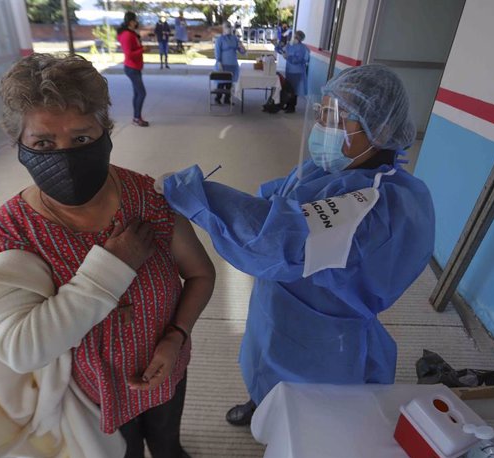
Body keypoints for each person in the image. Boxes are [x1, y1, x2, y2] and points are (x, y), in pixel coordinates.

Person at [0, 53, 215, 458]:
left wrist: (175, 337)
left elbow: (200, 275)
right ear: (20, 147)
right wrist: (114, 266)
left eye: (81, 138)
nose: (65, 155)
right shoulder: (15, 228)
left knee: (168, 446)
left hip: (167, 365)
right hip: (88, 396)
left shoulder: (148, 198)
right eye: (44, 142)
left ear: (107, 132)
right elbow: (24, 349)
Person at [157, 64, 435, 426]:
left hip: (322, 325)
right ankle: (260, 400)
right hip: (278, 299)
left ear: (380, 128)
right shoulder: (331, 170)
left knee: (310, 401)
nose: (323, 127)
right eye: (323, 112)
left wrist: (199, 196)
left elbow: (278, 238)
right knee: (264, 357)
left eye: (338, 118)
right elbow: (276, 201)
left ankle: (290, 424)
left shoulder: (376, 203)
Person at [117, 11, 149, 127]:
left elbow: (134, 48)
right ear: (131, 22)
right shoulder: (127, 35)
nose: (137, 22)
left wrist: (141, 48)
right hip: (131, 67)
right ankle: (136, 118)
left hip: (135, 67)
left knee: (137, 93)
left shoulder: (131, 33)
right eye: (135, 20)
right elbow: (129, 53)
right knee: (141, 93)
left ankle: (137, 117)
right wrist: (142, 50)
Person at [214, 21, 246, 105]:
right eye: (226, 27)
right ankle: (218, 98)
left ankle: (227, 99)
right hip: (223, 64)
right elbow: (217, 51)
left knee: (229, 83)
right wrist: (218, 61)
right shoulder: (220, 39)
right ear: (223, 28)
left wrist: (241, 47)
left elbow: (242, 51)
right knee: (221, 83)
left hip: (233, 64)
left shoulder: (235, 38)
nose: (228, 28)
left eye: (229, 26)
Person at [279, 30, 310, 113]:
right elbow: (282, 50)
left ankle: (292, 107)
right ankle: (288, 105)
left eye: (296, 37)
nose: (294, 38)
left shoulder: (302, 48)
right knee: (288, 88)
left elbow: (298, 60)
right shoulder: (290, 45)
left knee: (294, 90)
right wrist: (277, 45)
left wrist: (288, 57)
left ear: (300, 39)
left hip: (297, 72)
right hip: (289, 70)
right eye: (294, 36)